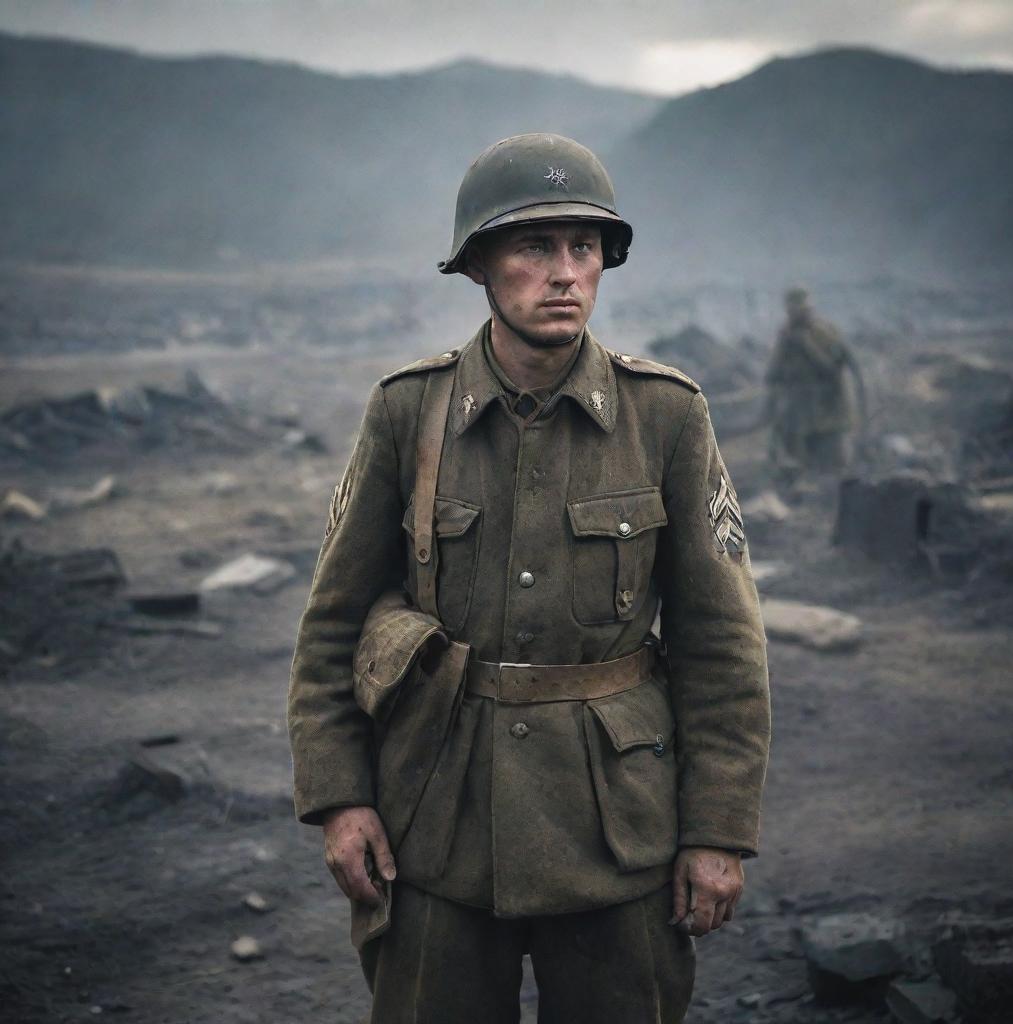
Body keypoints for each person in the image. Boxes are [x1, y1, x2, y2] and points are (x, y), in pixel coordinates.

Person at [287, 133, 771, 1023]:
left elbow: (722, 644)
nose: (564, 273)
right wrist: (340, 798)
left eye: (583, 247)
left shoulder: (665, 415)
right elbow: (333, 623)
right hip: (436, 825)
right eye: (533, 246)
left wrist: (716, 832)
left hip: (616, 832)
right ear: (478, 266)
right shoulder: (408, 410)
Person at [766, 287, 858, 481]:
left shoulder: (824, 333)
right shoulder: (786, 336)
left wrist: (806, 345)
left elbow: (833, 371)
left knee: (833, 472)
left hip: (830, 416)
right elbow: (773, 375)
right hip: (801, 419)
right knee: (802, 470)